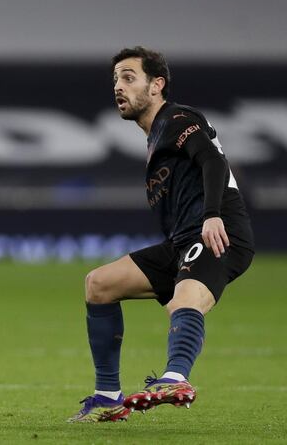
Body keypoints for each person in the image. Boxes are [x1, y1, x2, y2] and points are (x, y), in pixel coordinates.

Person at [68, 47, 255, 423]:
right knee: (99, 284)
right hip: (183, 242)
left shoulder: (177, 118)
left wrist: (213, 215)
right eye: (116, 80)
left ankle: (175, 379)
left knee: (185, 299)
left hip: (219, 233)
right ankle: (107, 396)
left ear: (157, 85)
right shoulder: (156, 137)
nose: (118, 87)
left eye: (128, 77)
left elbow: (214, 160)